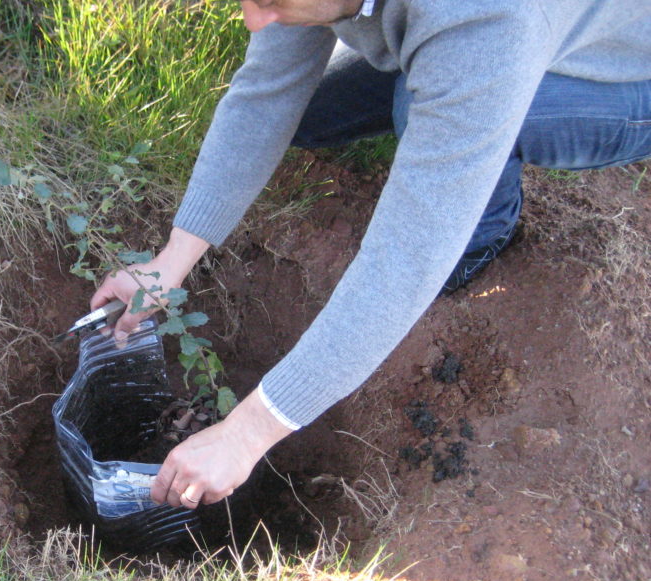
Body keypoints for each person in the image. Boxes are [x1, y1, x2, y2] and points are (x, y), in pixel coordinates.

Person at [89, 0, 651, 511]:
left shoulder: (489, 23)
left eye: (271, 1)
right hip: (488, 36)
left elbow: (403, 261)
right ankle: (439, 81)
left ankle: (483, 235)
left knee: (421, 113)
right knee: (304, 107)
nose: (252, 18)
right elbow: (267, 89)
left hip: (623, 70)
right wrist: (170, 262)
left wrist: (247, 432)